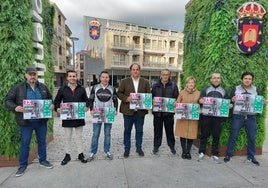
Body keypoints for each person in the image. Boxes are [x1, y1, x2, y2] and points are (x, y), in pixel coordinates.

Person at [5, 66, 54, 177]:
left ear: (37, 75)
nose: (32, 76)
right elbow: (7, 100)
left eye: (34, 74)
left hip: (41, 121)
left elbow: (51, 99)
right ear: (26, 75)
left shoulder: (43, 87)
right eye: (30, 74)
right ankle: (22, 165)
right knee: (25, 144)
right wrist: (15, 107)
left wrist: (52, 104)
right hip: (26, 122)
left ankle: (43, 161)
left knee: (42, 142)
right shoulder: (18, 88)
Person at [224, 72, 260, 166]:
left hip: (251, 117)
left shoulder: (256, 89)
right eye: (246, 78)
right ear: (242, 79)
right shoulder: (236, 89)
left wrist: (261, 102)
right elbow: (230, 100)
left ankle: (251, 156)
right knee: (233, 136)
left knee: (252, 137)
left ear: (252, 80)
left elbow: (258, 102)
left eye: (249, 79)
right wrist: (232, 100)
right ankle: (228, 155)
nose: (247, 80)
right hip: (238, 116)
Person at [54, 70, 89, 165]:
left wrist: (86, 107)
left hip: (78, 118)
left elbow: (86, 100)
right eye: (70, 76)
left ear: (77, 77)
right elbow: (57, 101)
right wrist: (57, 108)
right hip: (67, 118)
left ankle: (80, 154)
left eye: (74, 76)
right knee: (67, 137)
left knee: (79, 137)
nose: (72, 78)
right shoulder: (62, 89)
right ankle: (67, 154)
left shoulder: (81, 89)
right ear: (67, 78)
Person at [117, 63, 151, 158]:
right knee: (127, 130)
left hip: (140, 112)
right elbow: (119, 93)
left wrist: (148, 104)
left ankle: (139, 148)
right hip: (128, 111)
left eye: (137, 69)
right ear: (131, 71)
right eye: (133, 69)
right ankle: (127, 149)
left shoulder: (145, 82)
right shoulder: (124, 81)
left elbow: (148, 95)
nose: (135, 71)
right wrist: (126, 98)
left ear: (139, 70)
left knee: (139, 131)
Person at [87, 71, 118, 161]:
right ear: (100, 78)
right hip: (97, 112)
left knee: (107, 134)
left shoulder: (112, 88)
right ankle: (93, 152)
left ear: (109, 78)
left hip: (108, 113)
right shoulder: (95, 87)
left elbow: (115, 100)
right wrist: (91, 109)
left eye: (107, 77)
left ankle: (107, 151)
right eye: (103, 77)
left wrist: (115, 109)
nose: (105, 79)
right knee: (95, 134)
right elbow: (91, 99)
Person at [198, 72, 229, 162]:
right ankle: (202, 152)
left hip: (218, 117)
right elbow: (200, 99)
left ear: (220, 79)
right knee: (204, 134)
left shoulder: (224, 91)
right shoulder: (205, 89)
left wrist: (229, 105)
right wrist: (200, 100)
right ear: (211, 79)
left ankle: (215, 153)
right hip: (206, 116)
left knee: (216, 135)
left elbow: (227, 102)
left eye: (218, 78)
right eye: (214, 78)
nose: (216, 79)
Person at [151, 69, 179, 155]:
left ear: (169, 75)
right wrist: (152, 101)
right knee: (157, 131)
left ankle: (172, 146)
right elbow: (151, 97)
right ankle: (156, 146)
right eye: (163, 74)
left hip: (168, 114)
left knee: (169, 131)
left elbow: (177, 98)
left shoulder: (174, 86)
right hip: (157, 114)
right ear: (161, 75)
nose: (165, 76)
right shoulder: (155, 85)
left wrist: (175, 103)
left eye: (167, 74)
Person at [174, 76, 200, 159]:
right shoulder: (182, 92)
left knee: (191, 135)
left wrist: (200, 109)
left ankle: (188, 152)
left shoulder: (198, 93)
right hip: (183, 118)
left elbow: (201, 104)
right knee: (183, 134)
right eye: (189, 82)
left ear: (194, 84)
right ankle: (184, 151)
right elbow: (178, 102)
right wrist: (175, 106)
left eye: (192, 82)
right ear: (186, 84)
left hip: (192, 118)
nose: (191, 84)